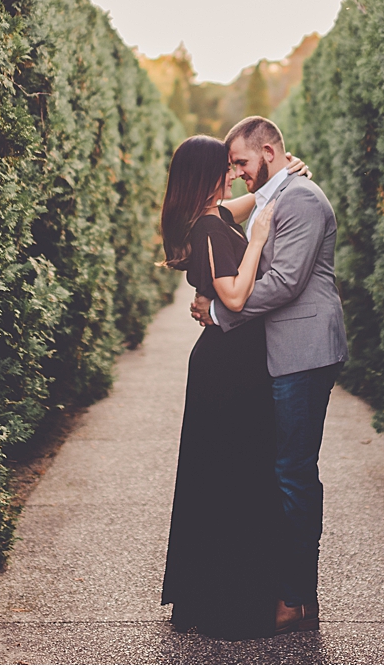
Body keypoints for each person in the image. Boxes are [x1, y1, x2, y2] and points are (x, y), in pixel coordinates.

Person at [190, 115, 348, 635]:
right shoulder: (275, 194)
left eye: (242, 162)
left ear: (269, 152)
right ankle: (284, 589)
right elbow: (223, 215)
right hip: (283, 354)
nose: (236, 173)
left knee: (294, 474)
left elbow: (283, 282)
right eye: (231, 165)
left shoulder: (300, 199)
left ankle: (299, 600)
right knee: (283, 471)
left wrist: (218, 311)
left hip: (303, 351)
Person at [157, 134, 312, 639]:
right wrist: (262, 236)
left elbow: (251, 201)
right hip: (228, 371)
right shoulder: (209, 226)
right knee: (237, 475)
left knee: (222, 475)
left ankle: (211, 592)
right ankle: (233, 601)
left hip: (226, 365)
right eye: (223, 168)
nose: (231, 174)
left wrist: (285, 175)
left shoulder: (214, 217)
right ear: (205, 175)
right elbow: (237, 296)